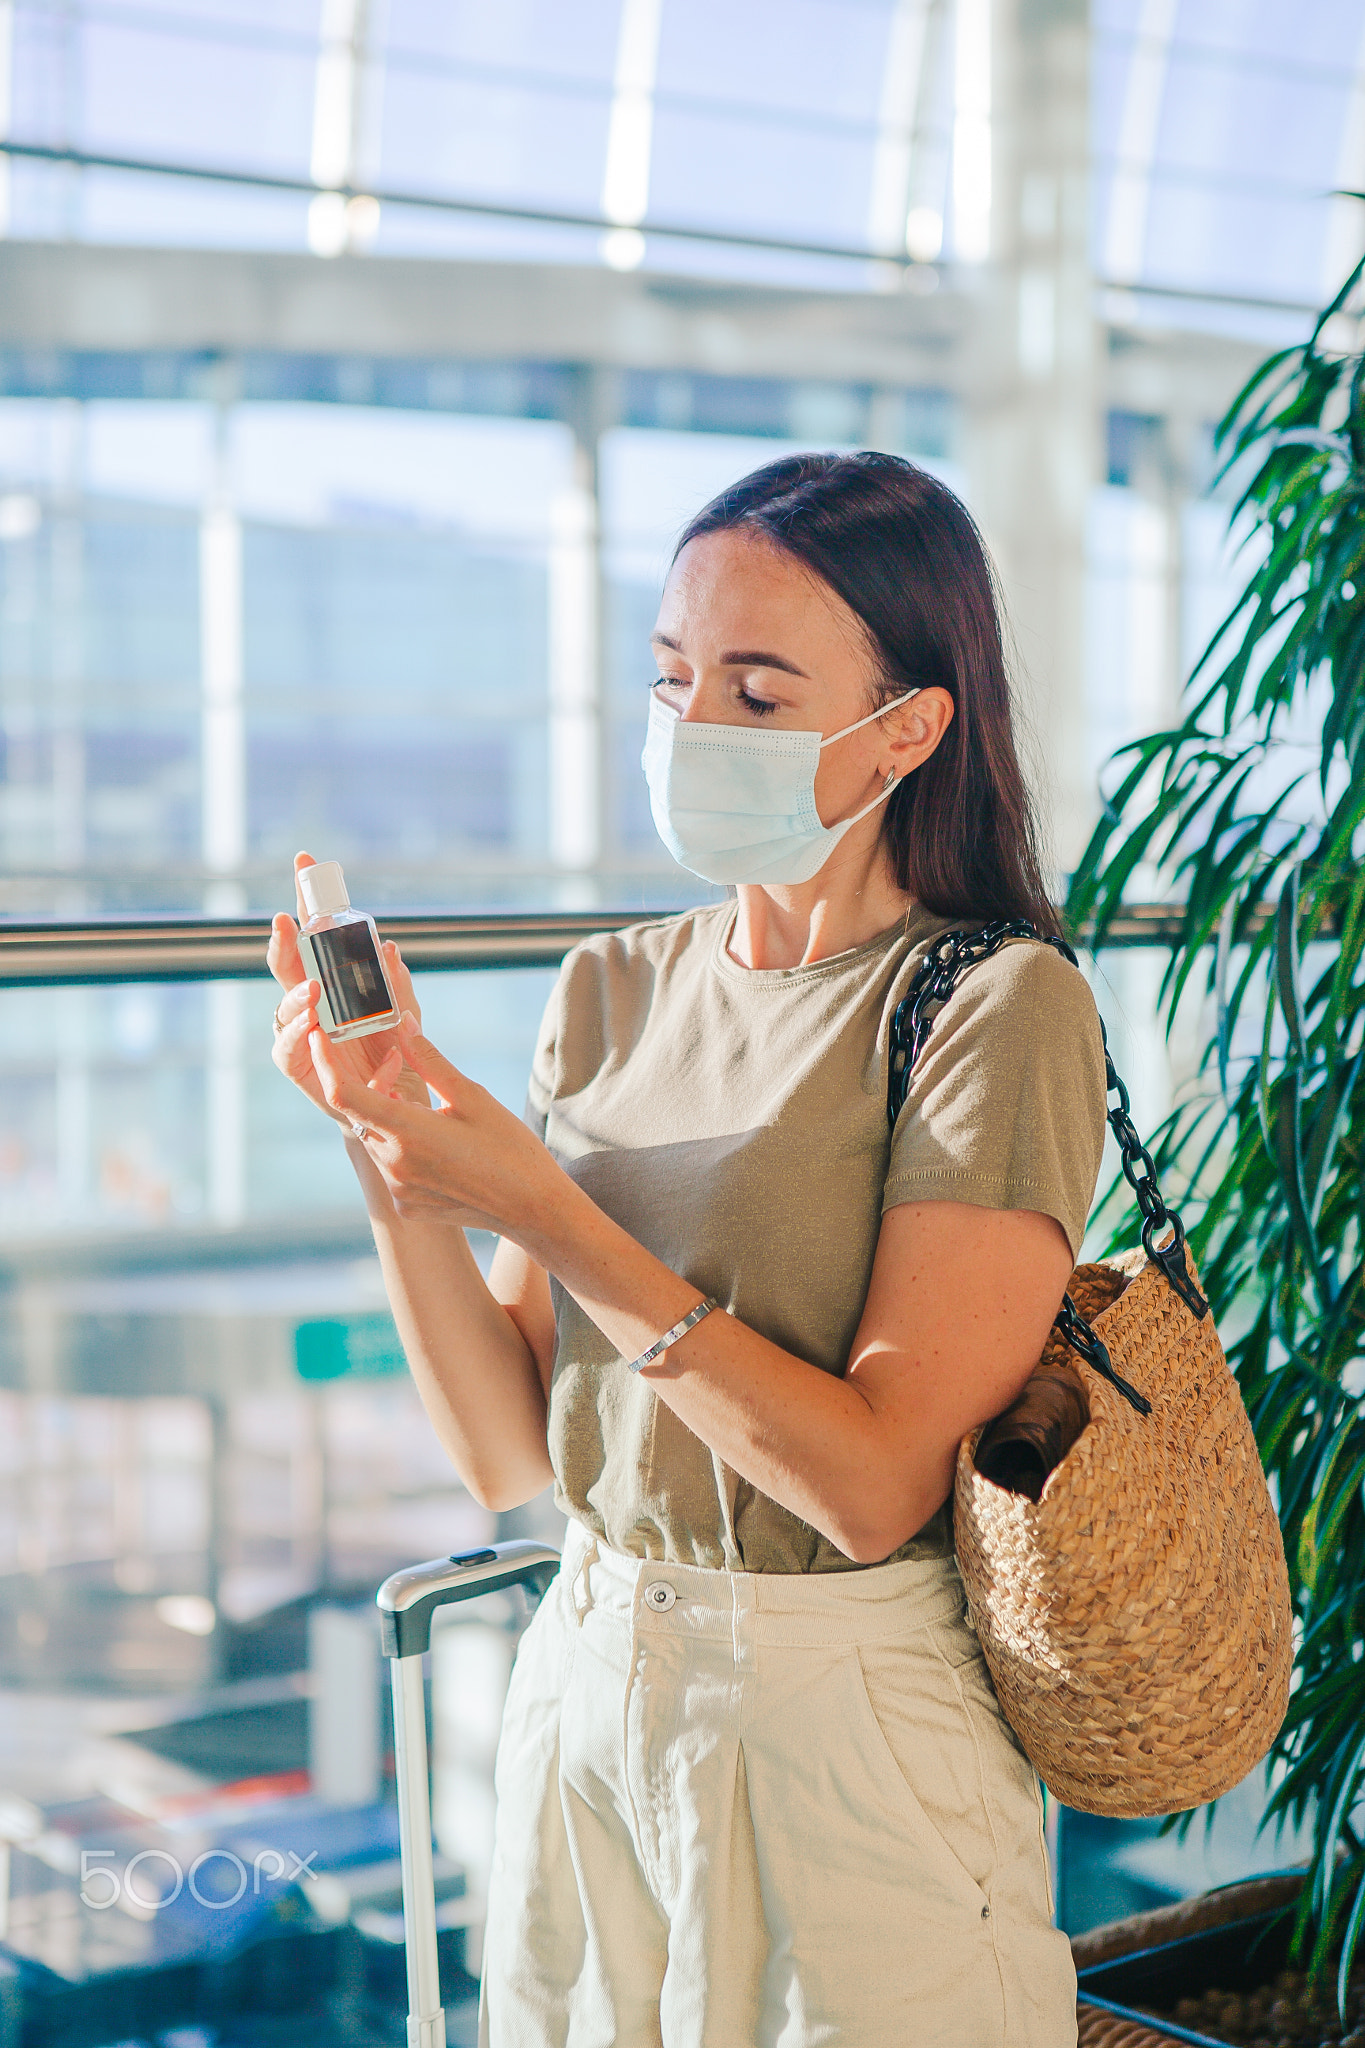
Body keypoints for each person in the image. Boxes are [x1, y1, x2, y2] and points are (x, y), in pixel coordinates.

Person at [268, 451, 1104, 2048]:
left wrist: (546, 1214)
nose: (691, 725)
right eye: (670, 677)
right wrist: (392, 1158)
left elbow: (869, 1488)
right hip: (583, 1676)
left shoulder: (995, 1005)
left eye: (757, 689)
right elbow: (509, 1446)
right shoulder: (608, 988)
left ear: (908, 726)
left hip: (842, 1721)